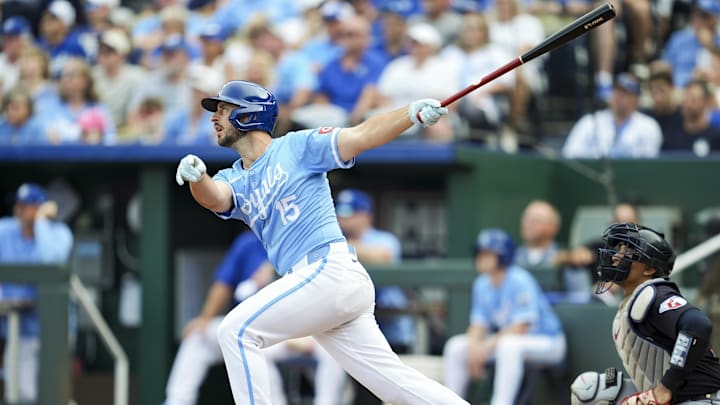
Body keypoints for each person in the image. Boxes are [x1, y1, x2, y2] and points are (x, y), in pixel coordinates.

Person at [174, 79, 466, 404]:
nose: (214, 118)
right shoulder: (234, 177)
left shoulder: (297, 147)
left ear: (248, 115)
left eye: (224, 109)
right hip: (322, 287)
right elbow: (216, 198)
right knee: (396, 386)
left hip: (328, 270)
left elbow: (362, 134)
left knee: (236, 331)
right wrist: (198, 178)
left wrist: (409, 114)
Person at [164, 230, 347, 405]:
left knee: (333, 352)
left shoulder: (310, 241)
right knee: (199, 337)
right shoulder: (250, 242)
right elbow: (224, 284)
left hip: (303, 331)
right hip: (255, 331)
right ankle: (177, 402)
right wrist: (205, 318)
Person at [570, 223, 720, 405]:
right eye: (619, 249)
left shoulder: (654, 293)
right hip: (674, 396)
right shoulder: (634, 299)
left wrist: (666, 387)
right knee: (589, 389)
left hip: (701, 398)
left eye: (628, 253)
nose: (616, 256)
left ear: (649, 269)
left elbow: (698, 325)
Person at [442, 228, 566, 404]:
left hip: (548, 342)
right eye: (479, 252)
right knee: (456, 346)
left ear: (503, 256)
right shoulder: (481, 283)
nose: (481, 257)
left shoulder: (519, 279)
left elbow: (521, 327)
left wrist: (484, 348)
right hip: (510, 344)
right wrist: (474, 348)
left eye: (488, 253)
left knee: (508, 346)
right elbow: (478, 325)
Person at [0, 183, 74, 403]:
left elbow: (49, 261)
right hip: (18, 329)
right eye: (19, 205)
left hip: (55, 329)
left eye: (28, 206)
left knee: (52, 394)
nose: (21, 210)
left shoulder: (59, 233)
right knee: (22, 394)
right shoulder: (5, 230)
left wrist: (41, 222)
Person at [561, 72, 663, 159]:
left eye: (625, 92)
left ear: (636, 100)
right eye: (616, 90)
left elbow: (648, 165)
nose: (618, 96)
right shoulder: (590, 121)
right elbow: (569, 155)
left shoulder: (649, 126)